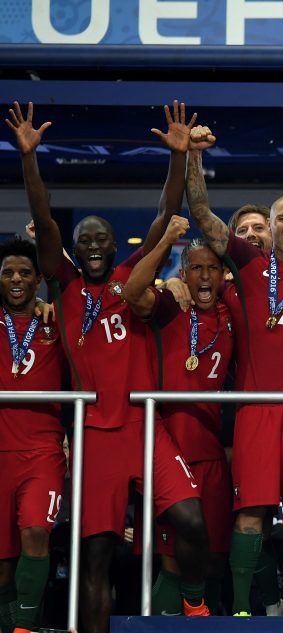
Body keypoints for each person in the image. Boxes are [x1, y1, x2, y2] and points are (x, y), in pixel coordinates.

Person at [8, 101, 211, 631]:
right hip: (95, 436)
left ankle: (193, 601)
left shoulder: (132, 276)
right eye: (86, 241)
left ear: (114, 246)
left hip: (146, 428)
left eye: (102, 240)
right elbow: (44, 216)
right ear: (74, 251)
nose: (94, 246)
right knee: (95, 557)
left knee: (191, 519)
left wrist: (177, 158)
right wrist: (30, 159)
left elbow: (165, 216)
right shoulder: (67, 286)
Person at [185, 124, 283, 618]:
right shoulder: (247, 268)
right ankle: (245, 613)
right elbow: (202, 215)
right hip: (256, 414)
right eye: (280, 217)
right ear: (268, 227)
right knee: (250, 514)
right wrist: (193, 158)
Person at [120, 216, 236, 615]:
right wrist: (167, 256)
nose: (204, 277)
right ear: (184, 273)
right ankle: (174, 619)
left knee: (213, 554)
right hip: (169, 442)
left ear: (223, 274)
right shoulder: (171, 304)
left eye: (212, 268)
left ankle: (197, 614)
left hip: (211, 447)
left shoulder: (232, 311)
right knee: (174, 555)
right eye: (196, 269)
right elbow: (133, 291)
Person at [0, 238, 66, 633]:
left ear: (39, 279)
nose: (16, 279)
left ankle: (23, 630)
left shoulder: (54, 323)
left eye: (25, 272)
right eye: (7, 272)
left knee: (36, 533)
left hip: (42, 451)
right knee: (4, 568)